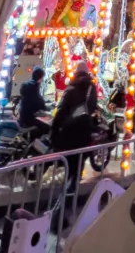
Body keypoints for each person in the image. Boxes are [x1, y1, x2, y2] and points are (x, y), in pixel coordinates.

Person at [51, 62, 97, 193]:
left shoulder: (71, 88)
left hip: (69, 131)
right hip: (84, 131)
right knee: (78, 163)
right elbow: (92, 107)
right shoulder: (91, 88)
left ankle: (65, 195)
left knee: (69, 164)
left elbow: (60, 112)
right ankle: (73, 192)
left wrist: (54, 130)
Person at [18, 67, 49, 138]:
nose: (43, 80)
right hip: (29, 119)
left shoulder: (26, 85)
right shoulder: (34, 87)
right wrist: (47, 107)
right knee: (47, 127)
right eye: (42, 77)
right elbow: (40, 105)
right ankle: (37, 145)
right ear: (40, 77)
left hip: (23, 117)